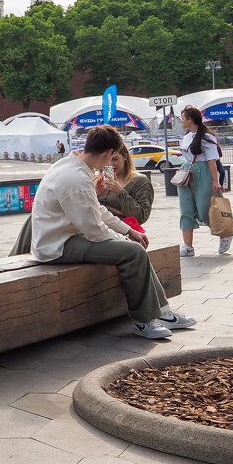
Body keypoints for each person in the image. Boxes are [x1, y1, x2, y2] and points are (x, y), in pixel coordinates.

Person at [30, 124, 196, 339]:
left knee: (133, 248)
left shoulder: (68, 166)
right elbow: (95, 231)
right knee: (133, 252)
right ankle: (143, 320)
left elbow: (95, 210)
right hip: (57, 245)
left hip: (61, 237)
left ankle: (162, 312)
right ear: (108, 153)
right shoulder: (77, 179)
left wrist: (128, 230)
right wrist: (125, 238)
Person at [178, 106, 230, 257]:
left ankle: (224, 234)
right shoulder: (187, 137)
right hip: (187, 173)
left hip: (204, 173)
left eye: (183, 118)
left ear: (189, 119)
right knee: (185, 209)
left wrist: (215, 181)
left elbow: (212, 160)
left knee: (204, 209)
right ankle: (188, 246)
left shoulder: (208, 137)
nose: (181, 121)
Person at [97, 142, 153, 229]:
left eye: (115, 159)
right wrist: (96, 194)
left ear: (125, 157)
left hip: (125, 232)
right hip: (98, 231)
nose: (110, 164)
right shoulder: (96, 180)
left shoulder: (139, 181)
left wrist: (120, 192)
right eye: (106, 160)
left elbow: (141, 217)